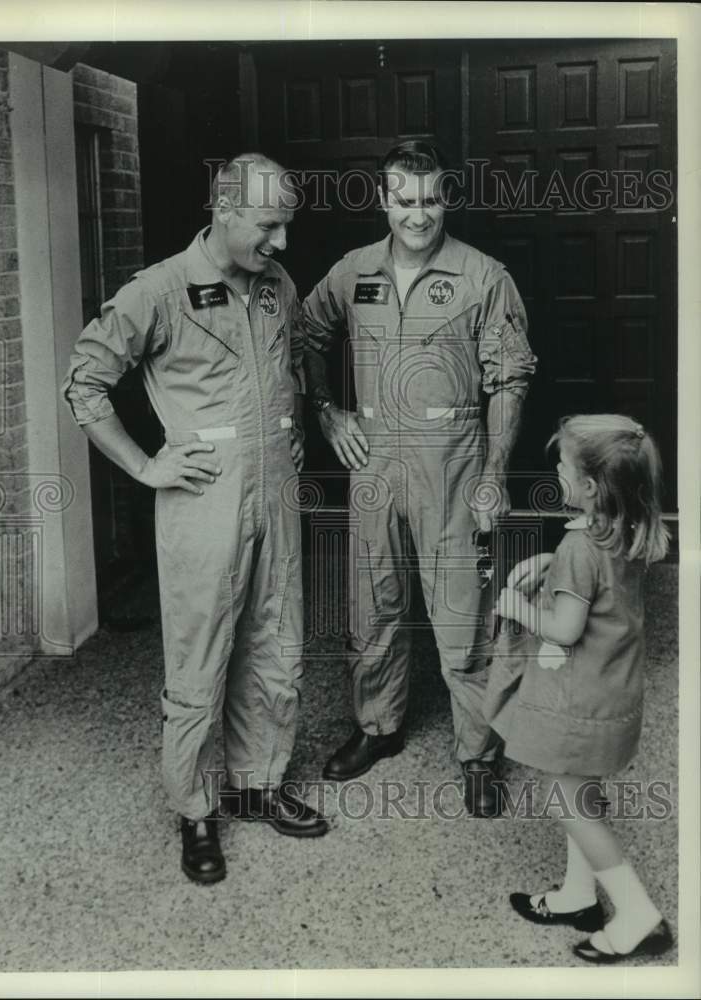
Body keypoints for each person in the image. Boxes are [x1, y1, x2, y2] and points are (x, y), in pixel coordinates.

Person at [62, 153, 328, 886]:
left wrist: (299, 422)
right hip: (204, 497)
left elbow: (292, 361)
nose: (281, 243)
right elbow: (84, 382)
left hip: (276, 488)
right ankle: (196, 809)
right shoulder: (158, 290)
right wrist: (146, 465)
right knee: (200, 653)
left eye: (285, 227)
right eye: (269, 227)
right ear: (224, 210)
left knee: (277, 640)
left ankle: (257, 783)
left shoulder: (277, 284)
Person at [302, 140, 536, 817]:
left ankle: (478, 752)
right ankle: (376, 725)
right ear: (384, 201)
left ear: (446, 198)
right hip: (374, 460)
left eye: (429, 198)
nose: (417, 213)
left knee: (461, 614)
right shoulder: (353, 272)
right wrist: (327, 412)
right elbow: (305, 334)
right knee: (372, 603)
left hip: (453, 458)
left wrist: (494, 470)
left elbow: (509, 378)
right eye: (404, 200)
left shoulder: (482, 276)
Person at [489, 414, 673, 963]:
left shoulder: (580, 549)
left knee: (569, 803)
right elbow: (600, 585)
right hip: (611, 695)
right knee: (579, 791)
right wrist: (553, 565)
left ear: (590, 488)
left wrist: (514, 604)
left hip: (578, 703)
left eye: (562, 466)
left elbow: (567, 628)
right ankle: (576, 896)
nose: (557, 472)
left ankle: (637, 914)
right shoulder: (624, 530)